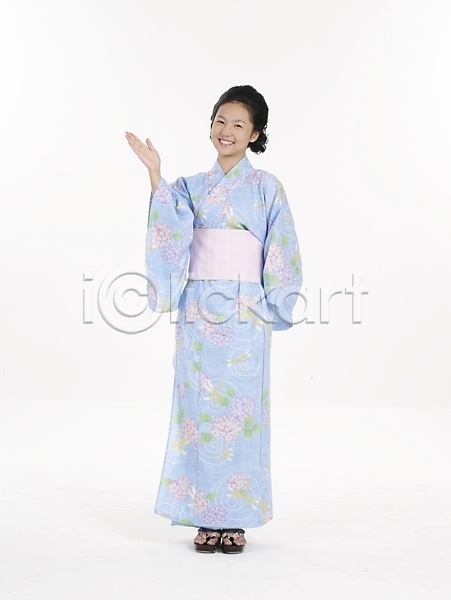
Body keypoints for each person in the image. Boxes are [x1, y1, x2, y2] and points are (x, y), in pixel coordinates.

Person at [125, 85, 302, 554]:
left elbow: (282, 247)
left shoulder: (267, 188)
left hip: (246, 313)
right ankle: (204, 514)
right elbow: (170, 224)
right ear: (211, 126)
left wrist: (277, 301)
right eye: (220, 121)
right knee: (198, 411)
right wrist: (156, 173)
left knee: (242, 414)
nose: (227, 131)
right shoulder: (190, 186)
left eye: (239, 124)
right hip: (199, 311)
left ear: (255, 134)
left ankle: (236, 517)